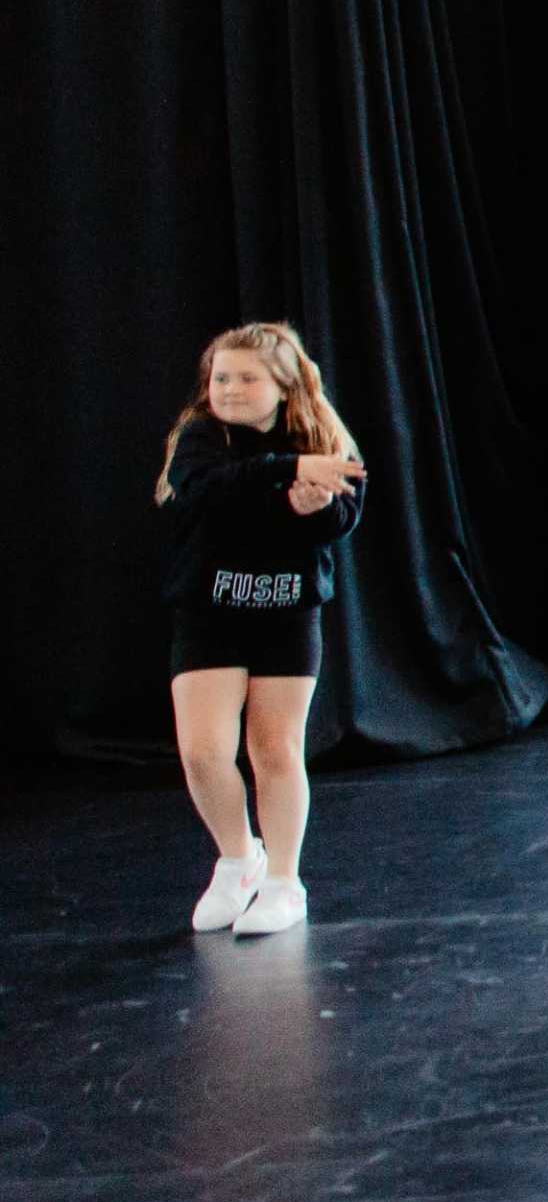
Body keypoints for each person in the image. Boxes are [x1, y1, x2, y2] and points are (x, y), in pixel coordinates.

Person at [156, 323, 365, 938]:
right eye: (221, 378)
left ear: (284, 386)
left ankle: (283, 882)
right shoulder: (202, 437)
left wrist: (315, 507)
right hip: (209, 613)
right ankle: (238, 858)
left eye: (248, 378)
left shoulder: (322, 435)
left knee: (274, 751)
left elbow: (346, 512)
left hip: (285, 614)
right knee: (202, 752)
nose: (231, 389)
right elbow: (204, 491)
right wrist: (290, 471)